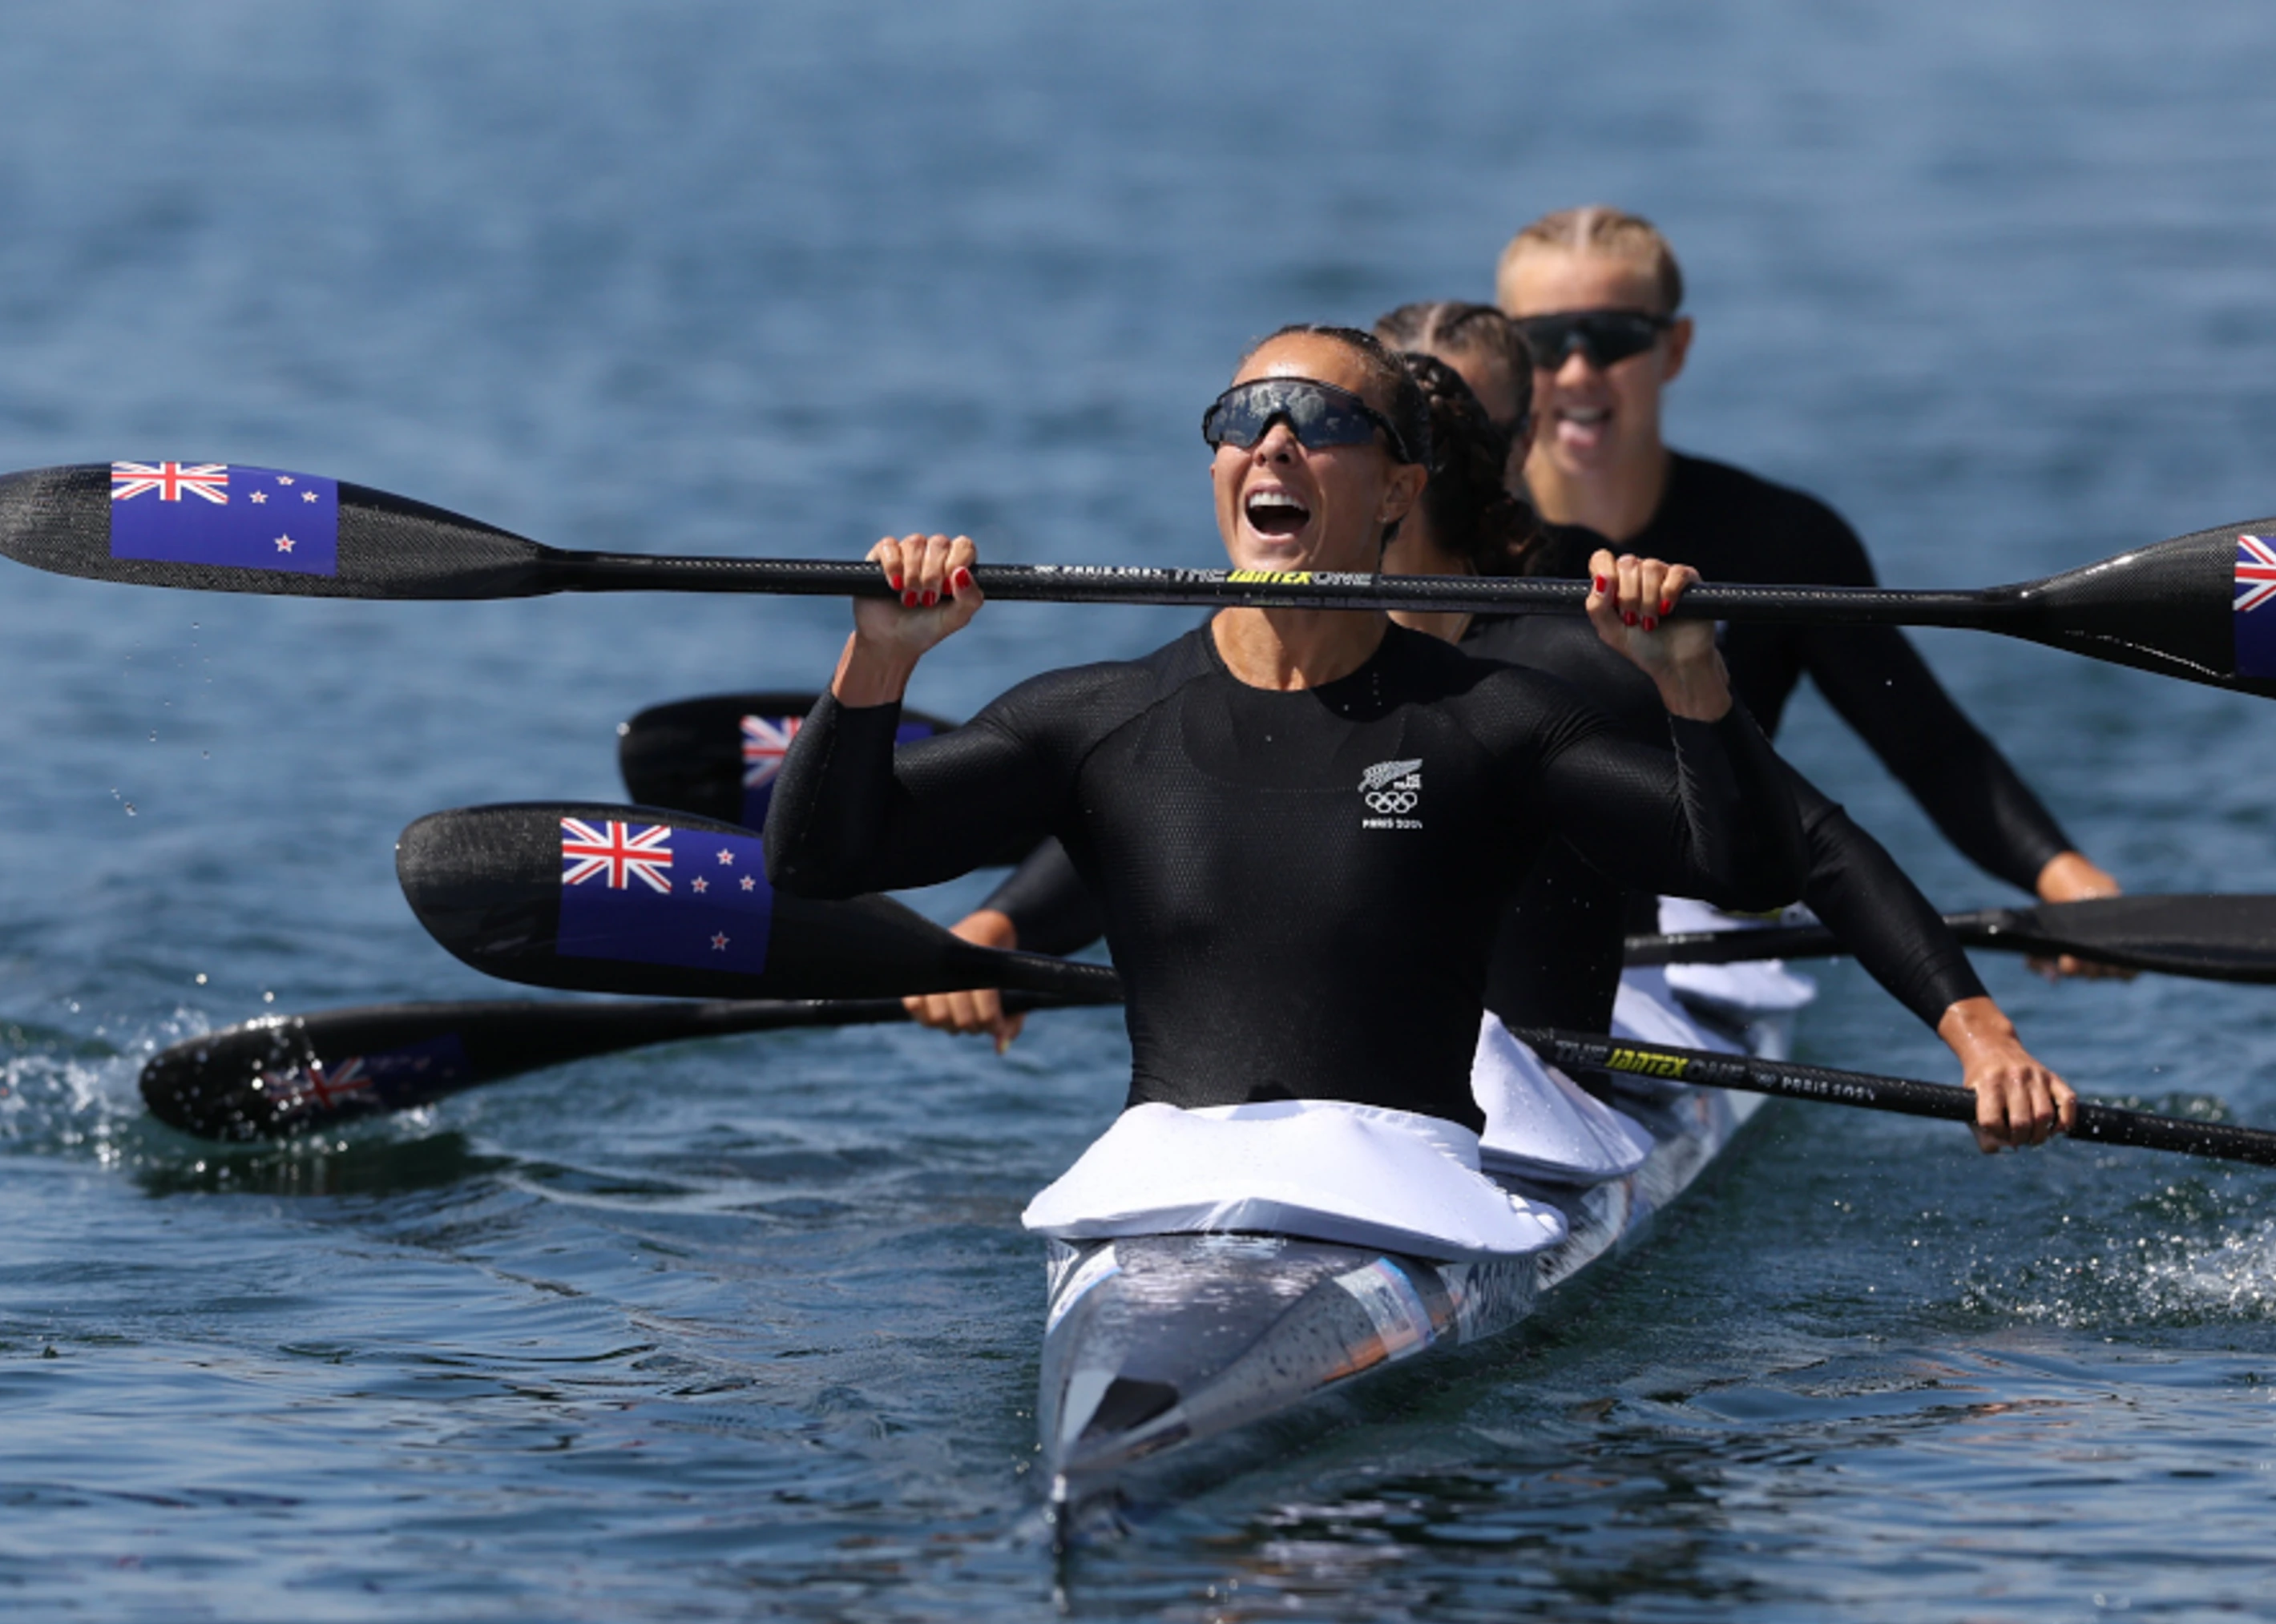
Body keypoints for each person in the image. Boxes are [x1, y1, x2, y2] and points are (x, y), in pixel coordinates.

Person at [768, 328, 1808, 1220]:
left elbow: (1752, 868)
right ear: (1217, 469)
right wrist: (883, 658)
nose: (1274, 441)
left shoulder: (1490, 722)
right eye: (1244, 418)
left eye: (1321, 420)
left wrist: (1690, 679)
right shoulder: (1099, 716)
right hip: (1157, 1187)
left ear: (1402, 488)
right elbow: (818, 859)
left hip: (1420, 1196)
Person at [1376, 321, 2076, 1146]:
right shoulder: (1239, 667)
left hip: (1539, 1089)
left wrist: (1982, 1038)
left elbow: (1814, 846)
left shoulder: (1572, 649)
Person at [1496, 208, 2125, 925]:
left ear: (1675, 348)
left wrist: (2063, 877)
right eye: (1542, 343)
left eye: (1614, 339)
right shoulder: (1455, 544)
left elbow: (1928, 746)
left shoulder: (1780, 541)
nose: (1578, 371)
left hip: (1705, 924)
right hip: (1511, 925)